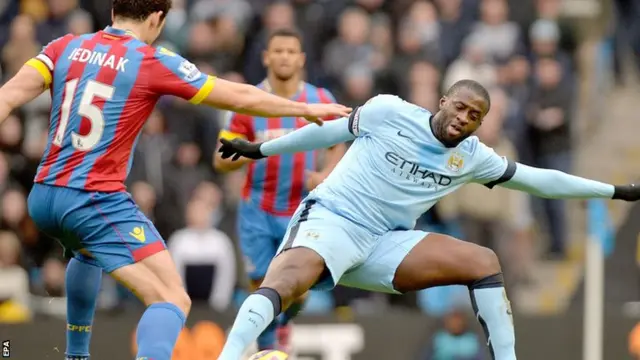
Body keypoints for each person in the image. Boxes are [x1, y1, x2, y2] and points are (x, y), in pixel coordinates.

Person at [0, 1, 351, 360]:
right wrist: (303, 109)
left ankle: (76, 354)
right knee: (172, 299)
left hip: (43, 196)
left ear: (113, 13)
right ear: (157, 19)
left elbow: (8, 96)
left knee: (85, 251)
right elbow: (237, 95)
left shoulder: (65, 46)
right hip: (93, 199)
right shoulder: (150, 60)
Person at [217, 80, 640, 360]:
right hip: (334, 219)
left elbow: (540, 180)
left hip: (385, 242)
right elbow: (327, 133)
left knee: (484, 261)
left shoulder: (472, 157)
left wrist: (613, 191)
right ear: (443, 101)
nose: (464, 118)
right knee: (287, 284)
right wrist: (258, 150)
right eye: (460, 107)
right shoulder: (389, 112)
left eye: (475, 116)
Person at [214, 28, 346, 352]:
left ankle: (281, 327)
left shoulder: (320, 100)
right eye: (278, 51)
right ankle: (270, 347)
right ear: (266, 57)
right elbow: (220, 160)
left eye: (291, 51)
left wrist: (326, 173)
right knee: (262, 286)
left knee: (298, 290)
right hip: (257, 207)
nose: (284, 57)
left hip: (301, 209)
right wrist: (245, 152)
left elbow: (337, 144)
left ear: (300, 59)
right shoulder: (249, 102)